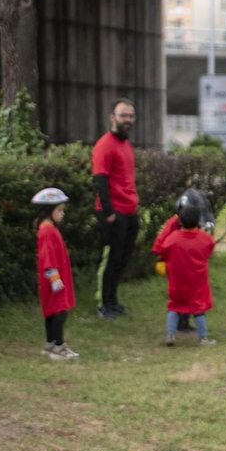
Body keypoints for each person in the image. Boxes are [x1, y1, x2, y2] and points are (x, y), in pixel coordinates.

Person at [153, 190, 217, 347]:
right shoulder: (205, 239)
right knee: (199, 309)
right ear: (198, 222)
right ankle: (203, 338)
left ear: (180, 220)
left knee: (173, 306)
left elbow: (163, 250)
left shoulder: (172, 239)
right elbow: (209, 250)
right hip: (197, 285)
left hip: (177, 284)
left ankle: (170, 335)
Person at [93, 98, 138, 319]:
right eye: (123, 115)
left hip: (129, 212)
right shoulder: (104, 145)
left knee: (122, 259)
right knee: (111, 259)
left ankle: (113, 301)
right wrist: (109, 213)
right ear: (113, 117)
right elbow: (100, 181)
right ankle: (103, 305)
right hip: (113, 213)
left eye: (130, 116)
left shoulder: (126, 145)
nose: (127, 120)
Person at [33, 188, 80, 361]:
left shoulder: (49, 229)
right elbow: (47, 256)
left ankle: (50, 345)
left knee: (53, 311)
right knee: (59, 311)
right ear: (48, 211)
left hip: (55, 279)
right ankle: (58, 347)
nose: (62, 214)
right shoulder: (47, 231)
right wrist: (54, 277)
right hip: (54, 280)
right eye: (59, 210)